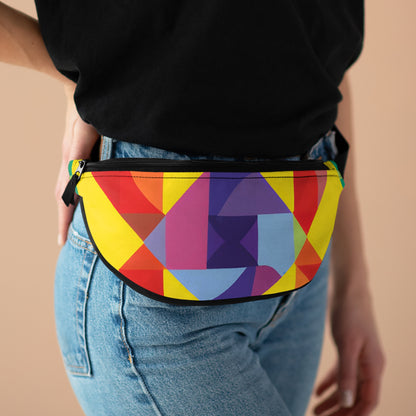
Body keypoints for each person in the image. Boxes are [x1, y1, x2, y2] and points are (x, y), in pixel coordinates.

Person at [0, 1, 385, 415]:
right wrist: (75, 80)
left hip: (301, 249)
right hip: (156, 282)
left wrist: (354, 286)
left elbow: (323, 55)